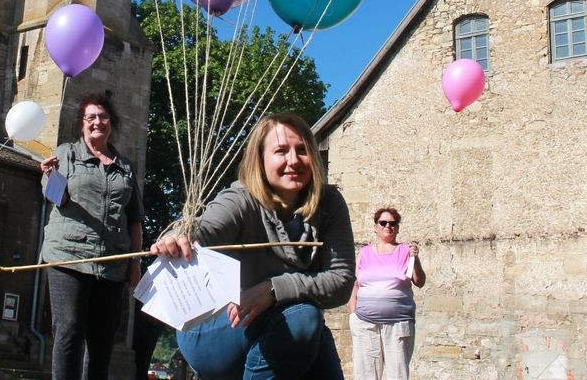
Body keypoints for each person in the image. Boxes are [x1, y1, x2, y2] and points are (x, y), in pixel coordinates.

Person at [151, 113, 355, 380]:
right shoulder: (241, 198)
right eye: (281, 151)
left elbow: (340, 281)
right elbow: (207, 228)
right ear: (260, 159)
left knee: (309, 328)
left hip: (290, 321)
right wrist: (180, 236)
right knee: (304, 319)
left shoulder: (329, 203)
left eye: (302, 150)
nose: (293, 160)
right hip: (216, 326)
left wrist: (273, 289)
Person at [39, 92, 143, 380]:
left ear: (111, 122)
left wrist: (134, 262)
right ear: (82, 124)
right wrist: (50, 176)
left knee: (102, 340)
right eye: (91, 117)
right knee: (69, 329)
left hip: (112, 263)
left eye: (103, 116)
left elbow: (134, 219)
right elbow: (55, 198)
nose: (98, 122)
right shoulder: (66, 154)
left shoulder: (125, 166)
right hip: (68, 257)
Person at [347, 207, 426, 380]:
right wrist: (353, 314)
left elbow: (419, 282)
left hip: (397, 324)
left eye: (392, 223)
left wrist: (416, 259)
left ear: (397, 228)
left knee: (397, 375)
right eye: (383, 222)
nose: (387, 226)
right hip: (365, 323)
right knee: (366, 375)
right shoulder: (365, 252)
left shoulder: (407, 251)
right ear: (375, 227)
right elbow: (354, 284)